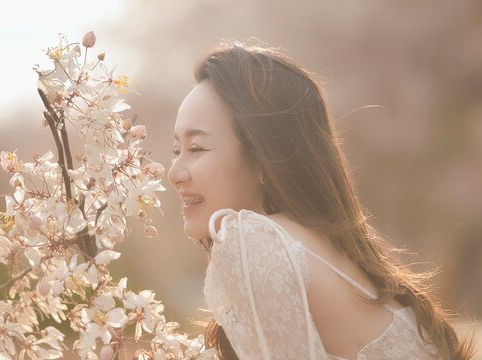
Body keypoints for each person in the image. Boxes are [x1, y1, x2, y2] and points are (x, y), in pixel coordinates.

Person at [167, 42, 474, 360]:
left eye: (197, 148)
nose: (174, 173)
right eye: (177, 150)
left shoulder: (252, 241)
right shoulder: (331, 250)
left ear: (263, 157)